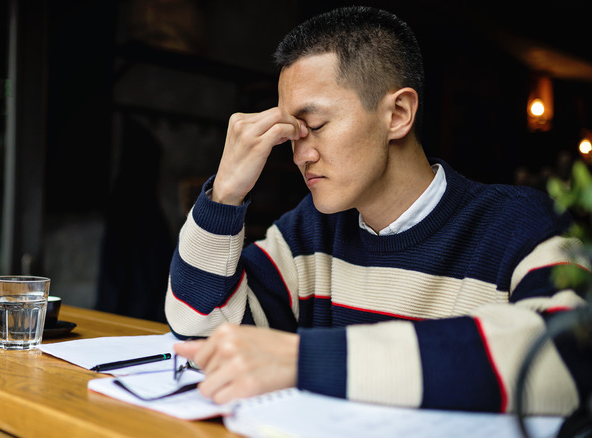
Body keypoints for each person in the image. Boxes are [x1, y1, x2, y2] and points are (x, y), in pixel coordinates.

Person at [165, 6, 591, 415]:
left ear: (398, 114)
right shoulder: (307, 233)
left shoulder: (523, 224)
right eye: (292, 134)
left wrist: (305, 361)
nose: (300, 155)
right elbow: (202, 333)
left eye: (314, 126)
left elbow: (568, 355)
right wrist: (224, 196)